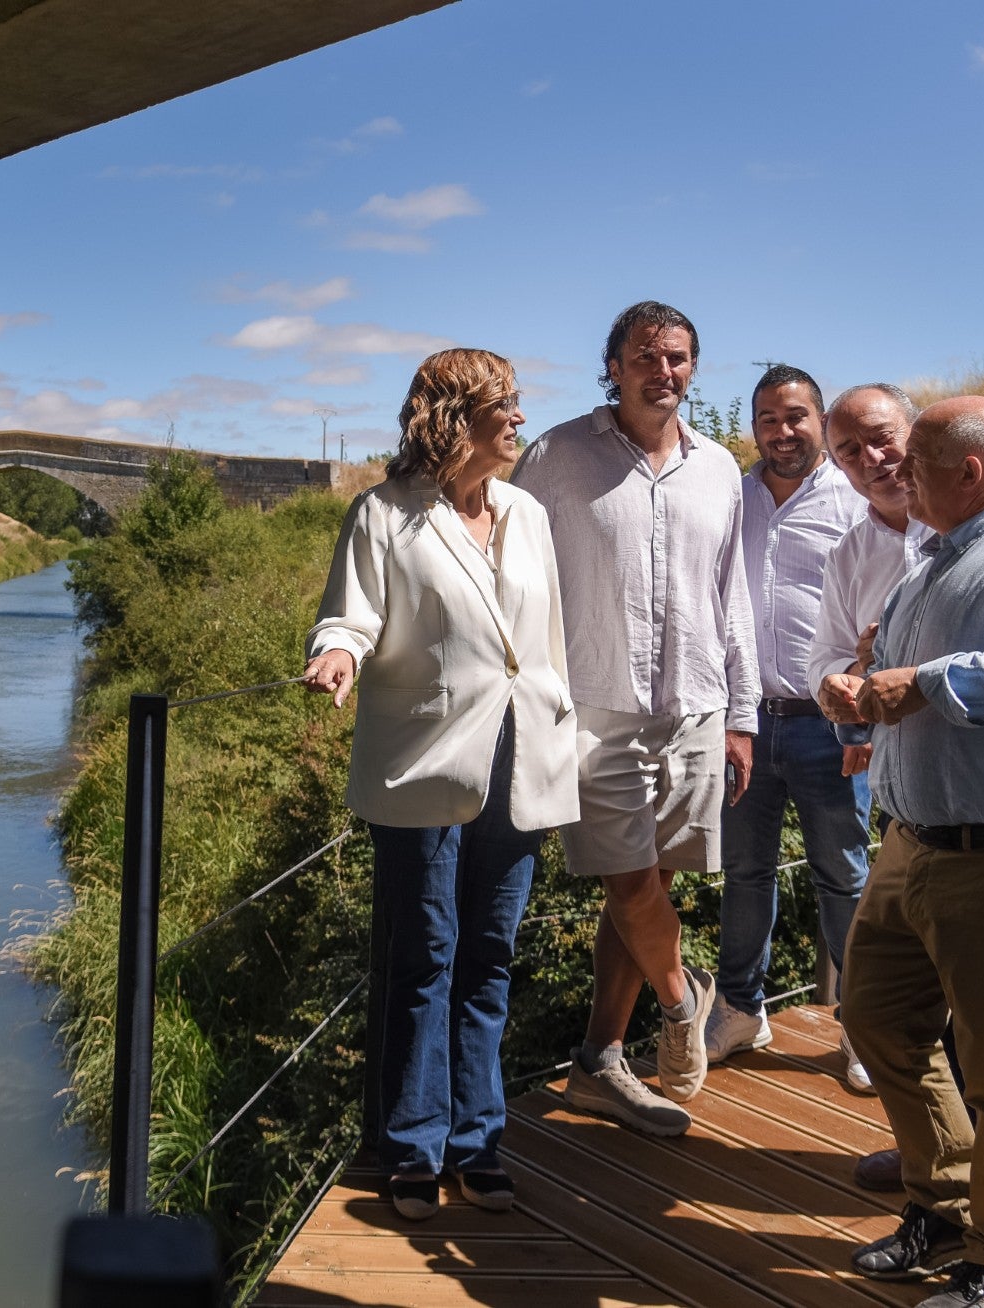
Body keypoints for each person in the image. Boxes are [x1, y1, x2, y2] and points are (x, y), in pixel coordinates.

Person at [303, 348, 579, 1220]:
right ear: (457, 416)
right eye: (507, 406)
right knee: (425, 955)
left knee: (488, 957)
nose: (520, 421)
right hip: (426, 762)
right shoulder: (384, 516)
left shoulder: (528, 513)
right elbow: (352, 612)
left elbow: (544, 638)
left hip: (522, 757)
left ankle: (479, 1142)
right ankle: (413, 1148)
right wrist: (338, 653)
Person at [511, 301, 758, 1138]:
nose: (666, 372)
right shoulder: (555, 456)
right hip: (594, 707)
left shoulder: (721, 467)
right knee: (626, 877)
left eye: (680, 357)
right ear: (612, 366)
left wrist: (743, 712)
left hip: (695, 703)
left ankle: (599, 1063)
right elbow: (510, 566)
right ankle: (684, 997)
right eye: (647, 356)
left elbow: (733, 596)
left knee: (652, 881)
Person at [830, 396, 984, 1308]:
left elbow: (935, 679)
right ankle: (942, 1203)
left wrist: (922, 682)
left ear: (966, 472)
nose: (897, 478)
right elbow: (883, 661)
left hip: (981, 853)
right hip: (908, 841)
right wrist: (853, 682)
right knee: (881, 1020)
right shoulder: (928, 560)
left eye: (916, 463)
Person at [710, 365, 870, 1088]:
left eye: (797, 416)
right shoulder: (730, 498)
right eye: (769, 419)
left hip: (830, 725)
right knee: (744, 873)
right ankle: (741, 1008)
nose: (782, 431)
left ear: (821, 419)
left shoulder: (854, 499)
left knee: (845, 876)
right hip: (744, 720)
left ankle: (863, 1031)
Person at [809, 382, 936, 1192]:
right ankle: (936, 1163)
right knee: (898, 1007)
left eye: (882, 439)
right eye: (849, 452)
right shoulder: (849, 555)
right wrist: (845, 688)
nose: (871, 461)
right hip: (907, 807)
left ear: (914, 434)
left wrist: (902, 661)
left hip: (977, 805)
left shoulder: (972, 530)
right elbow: (827, 660)